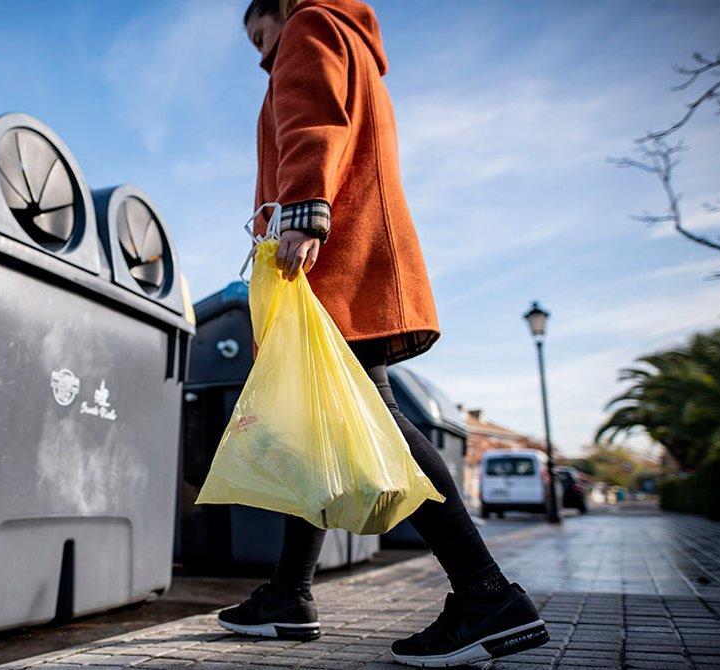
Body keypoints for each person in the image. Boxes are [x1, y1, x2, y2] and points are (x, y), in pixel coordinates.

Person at [217, 1, 550, 666]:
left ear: (280, 9)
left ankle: (487, 594)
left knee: (375, 418)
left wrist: (304, 211)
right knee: (312, 432)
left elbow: (314, 118)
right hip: (352, 255)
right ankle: (290, 595)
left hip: (337, 261)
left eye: (260, 33)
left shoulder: (311, 26)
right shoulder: (351, 41)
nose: (260, 52)